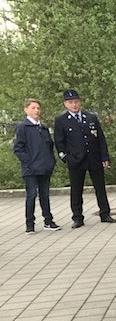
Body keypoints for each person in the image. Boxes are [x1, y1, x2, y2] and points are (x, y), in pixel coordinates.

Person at [54, 89, 116, 227]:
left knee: (100, 187)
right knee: (76, 189)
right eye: (71, 102)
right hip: (76, 159)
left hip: (94, 157)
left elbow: (100, 138)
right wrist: (66, 158)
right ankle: (77, 217)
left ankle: (105, 213)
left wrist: (104, 156)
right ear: (65, 104)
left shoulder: (90, 117)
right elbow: (59, 142)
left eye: (76, 101)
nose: (74, 105)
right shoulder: (61, 120)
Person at [14, 98, 60, 234]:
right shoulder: (23, 127)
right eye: (33, 108)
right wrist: (28, 162)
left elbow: (49, 146)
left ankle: (48, 221)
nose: (36, 110)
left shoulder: (43, 128)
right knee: (31, 195)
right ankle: (30, 224)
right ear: (26, 110)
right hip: (30, 169)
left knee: (45, 194)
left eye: (38, 108)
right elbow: (18, 148)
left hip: (44, 167)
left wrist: (51, 161)